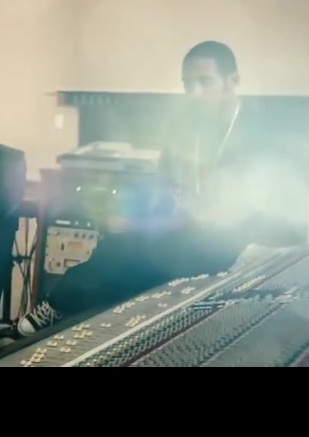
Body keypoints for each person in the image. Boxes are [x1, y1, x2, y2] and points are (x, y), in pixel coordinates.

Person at [17, 40, 282, 336]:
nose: (194, 93)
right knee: (127, 238)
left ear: (232, 80)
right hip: (185, 227)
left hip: (231, 238)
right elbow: (164, 183)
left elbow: (260, 204)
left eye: (204, 81)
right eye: (187, 84)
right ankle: (92, 322)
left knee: (137, 253)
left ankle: (62, 305)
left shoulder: (261, 131)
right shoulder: (183, 127)